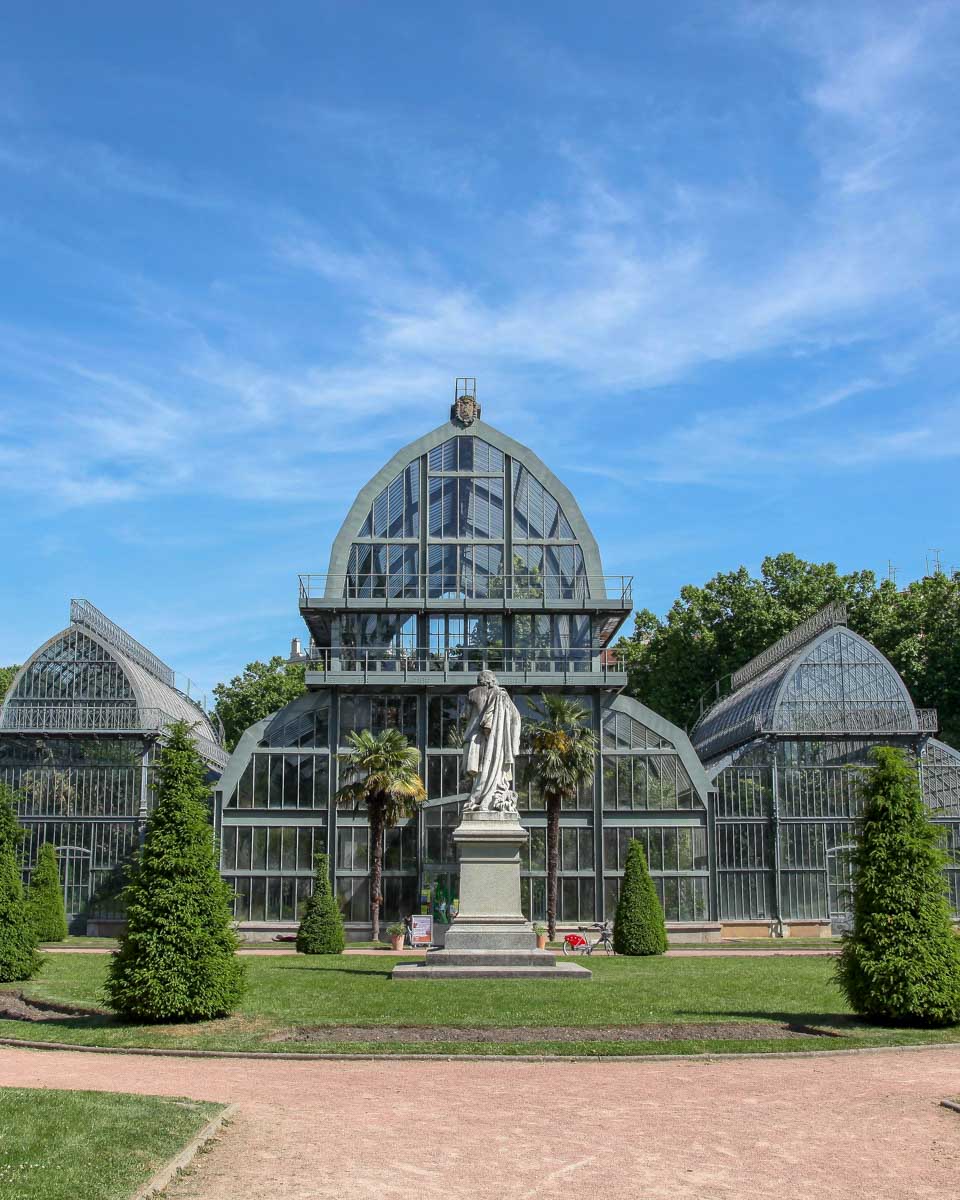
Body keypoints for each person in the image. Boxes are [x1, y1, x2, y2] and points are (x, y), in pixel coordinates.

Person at [460, 669, 522, 813]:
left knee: (479, 774)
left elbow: (465, 715)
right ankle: (490, 797)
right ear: (492, 680)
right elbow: (516, 718)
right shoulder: (503, 696)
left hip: (476, 740)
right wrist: (513, 745)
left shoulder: (472, 694)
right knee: (495, 772)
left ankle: (478, 798)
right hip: (497, 742)